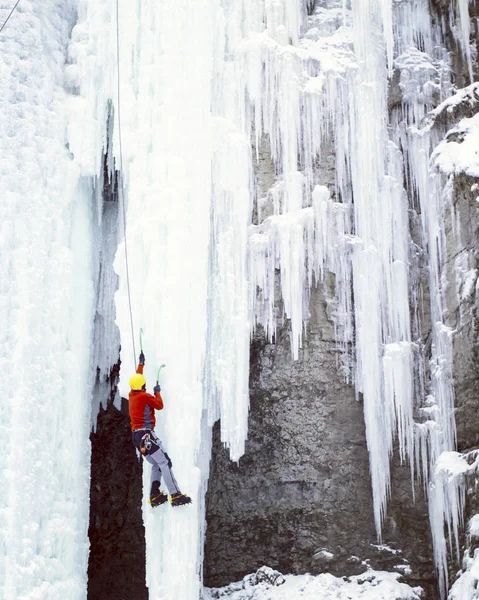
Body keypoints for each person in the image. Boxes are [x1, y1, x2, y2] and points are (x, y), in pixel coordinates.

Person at [129, 351, 191, 507]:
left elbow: (137, 378)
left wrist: (141, 364)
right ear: (142, 386)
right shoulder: (144, 397)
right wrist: (157, 391)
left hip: (137, 438)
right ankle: (175, 495)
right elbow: (159, 405)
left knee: (157, 464)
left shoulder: (132, 395)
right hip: (146, 435)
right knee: (165, 462)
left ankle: (155, 495)